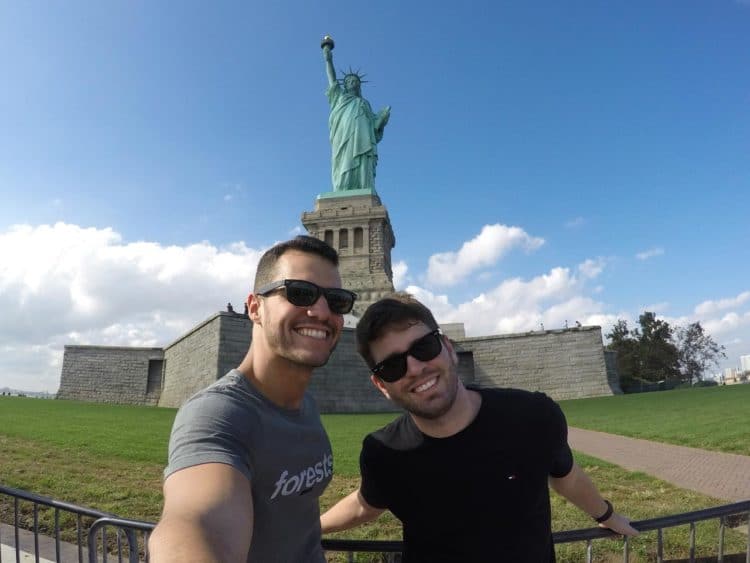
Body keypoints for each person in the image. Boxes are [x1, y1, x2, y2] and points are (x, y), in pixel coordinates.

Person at [320, 293, 638, 562]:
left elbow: (566, 475)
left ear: (447, 346)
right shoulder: (383, 452)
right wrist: (310, 525)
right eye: (392, 365)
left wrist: (606, 515)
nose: (415, 368)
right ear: (381, 385)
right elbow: (366, 504)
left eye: (424, 348)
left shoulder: (532, 415)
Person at [149, 235, 357, 562]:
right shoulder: (217, 414)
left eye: (337, 300)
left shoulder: (306, 405)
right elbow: (196, 525)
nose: (320, 311)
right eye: (300, 293)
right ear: (255, 308)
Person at [322, 36, 391, 192]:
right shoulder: (339, 97)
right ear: (345, 85)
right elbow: (332, 79)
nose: (353, 82)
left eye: (356, 81)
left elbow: (374, 130)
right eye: (350, 81)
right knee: (343, 162)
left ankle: (363, 186)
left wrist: (382, 120)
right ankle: (342, 189)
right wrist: (328, 60)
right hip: (343, 139)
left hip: (362, 141)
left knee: (362, 162)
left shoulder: (365, 104)